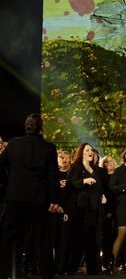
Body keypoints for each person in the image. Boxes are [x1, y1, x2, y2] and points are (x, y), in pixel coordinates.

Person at [0, 114, 59, 279]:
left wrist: (9, 183)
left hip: (15, 197)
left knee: (10, 238)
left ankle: (6, 272)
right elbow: (52, 176)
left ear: (26, 127)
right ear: (41, 128)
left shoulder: (13, 144)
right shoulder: (49, 147)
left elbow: (0, 164)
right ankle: (46, 273)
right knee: (43, 238)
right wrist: (55, 199)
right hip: (38, 199)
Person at [66, 142, 106, 275]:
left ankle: (93, 269)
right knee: (77, 240)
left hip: (94, 210)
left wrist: (103, 196)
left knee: (93, 241)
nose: (90, 152)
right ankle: (71, 268)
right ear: (81, 152)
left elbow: (100, 187)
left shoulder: (96, 170)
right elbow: (70, 184)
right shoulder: (76, 167)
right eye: (87, 150)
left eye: (92, 150)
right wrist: (84, 181)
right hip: (80, 210)